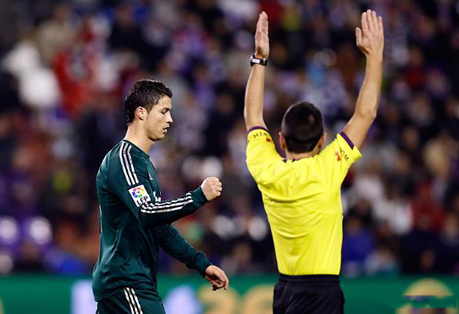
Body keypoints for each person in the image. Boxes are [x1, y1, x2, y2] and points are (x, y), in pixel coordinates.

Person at [244, 10, 384, 314]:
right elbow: (366, 114)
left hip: (283, 292)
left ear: (280, 139)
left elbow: (253, 117)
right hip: (322, 292)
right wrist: (374, 56)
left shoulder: (266, 168)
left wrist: (259, 59)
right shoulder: (328, 167)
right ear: (322, 141)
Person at [92, 79, 229, 314]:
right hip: (126, 281)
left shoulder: (142, 162)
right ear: (141, 113)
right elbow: (148, 213)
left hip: (125, 281)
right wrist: (198, 196)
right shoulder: (124, 159)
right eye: (164, 111)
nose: (170, 119)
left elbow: (159, 227)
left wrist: (200, 263)